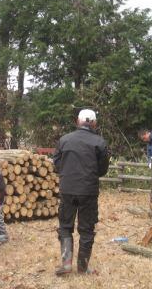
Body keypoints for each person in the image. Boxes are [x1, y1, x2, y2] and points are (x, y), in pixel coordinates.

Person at [53, 109, 110, 275]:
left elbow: (56, 163)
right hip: (88, 191)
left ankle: (66, 263)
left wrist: (68, 174)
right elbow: (102, 169)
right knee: (86, 229)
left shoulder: (64, 140)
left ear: (78, 121)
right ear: (94, 123)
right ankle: (83, 267)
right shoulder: (99, 142)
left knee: (65, 226)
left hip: (68, 189)